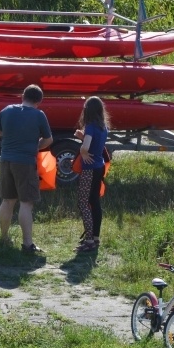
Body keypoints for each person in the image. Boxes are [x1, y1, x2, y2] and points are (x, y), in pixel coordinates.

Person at [0, 84, 53, 253]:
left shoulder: (7, 110)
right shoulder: (39, 115)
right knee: (26, 203)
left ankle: (3, 238)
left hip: (6, 160)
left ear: (22, 96)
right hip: (25, 162)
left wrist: (11, 134)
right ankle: (27, 244)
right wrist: (35, 145)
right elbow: (48, 140)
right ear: (39, 101)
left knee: (7, 200)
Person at [73, 96, 109, 252]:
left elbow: (86, 147)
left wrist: (83, 151)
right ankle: (95, 237)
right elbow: (95, 143)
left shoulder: (90, 126)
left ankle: (88, 241)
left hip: (89, 168)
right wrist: (84, 139)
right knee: (94, 202)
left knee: (83, 202)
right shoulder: (102, 126)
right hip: (99, 166)